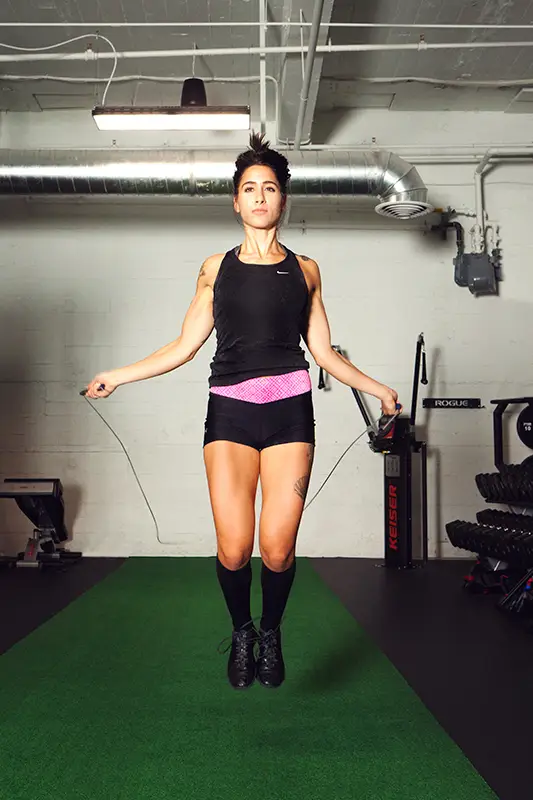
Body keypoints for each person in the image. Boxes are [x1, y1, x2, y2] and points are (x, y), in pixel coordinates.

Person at [84, 132, 400, 691]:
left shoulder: (306, 270)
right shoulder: (214, 269)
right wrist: (119, 374)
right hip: (229, 414)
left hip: (290, 415)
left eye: (269, 187)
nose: (259, 197)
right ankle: (242, 630)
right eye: (248, 188)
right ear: (235, 201)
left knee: (276, 549)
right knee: (235, 547)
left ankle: (272, 631)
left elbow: (323, 352)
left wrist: (378, 388)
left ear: (283, 200)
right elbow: (182, 347)